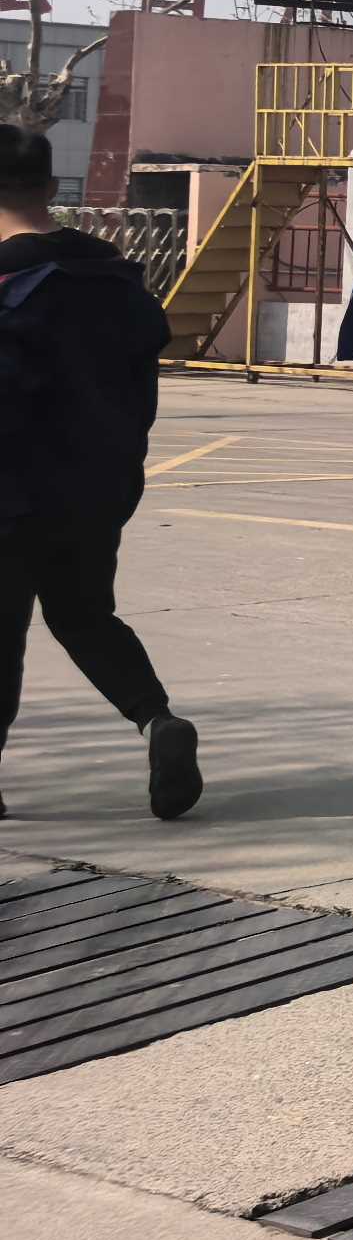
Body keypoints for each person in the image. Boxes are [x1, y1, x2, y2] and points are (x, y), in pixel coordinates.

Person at [0, 120, 199, 821]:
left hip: (12, 493)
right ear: (52, 187)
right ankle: (156, 719)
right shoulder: (112, 276)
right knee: (84, 616)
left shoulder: (10, 281)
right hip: (95, 489)